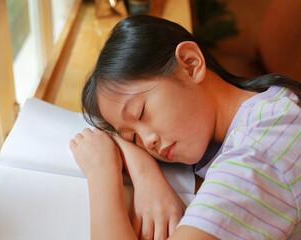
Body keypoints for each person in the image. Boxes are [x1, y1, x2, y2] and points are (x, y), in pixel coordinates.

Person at [69, 15, 301, 240]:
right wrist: (143, 171)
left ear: (190, 64)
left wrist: (102, 174)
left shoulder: (258, 155)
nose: (148, 142)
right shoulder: (268, 106)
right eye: (133, 138)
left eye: (140, 113)